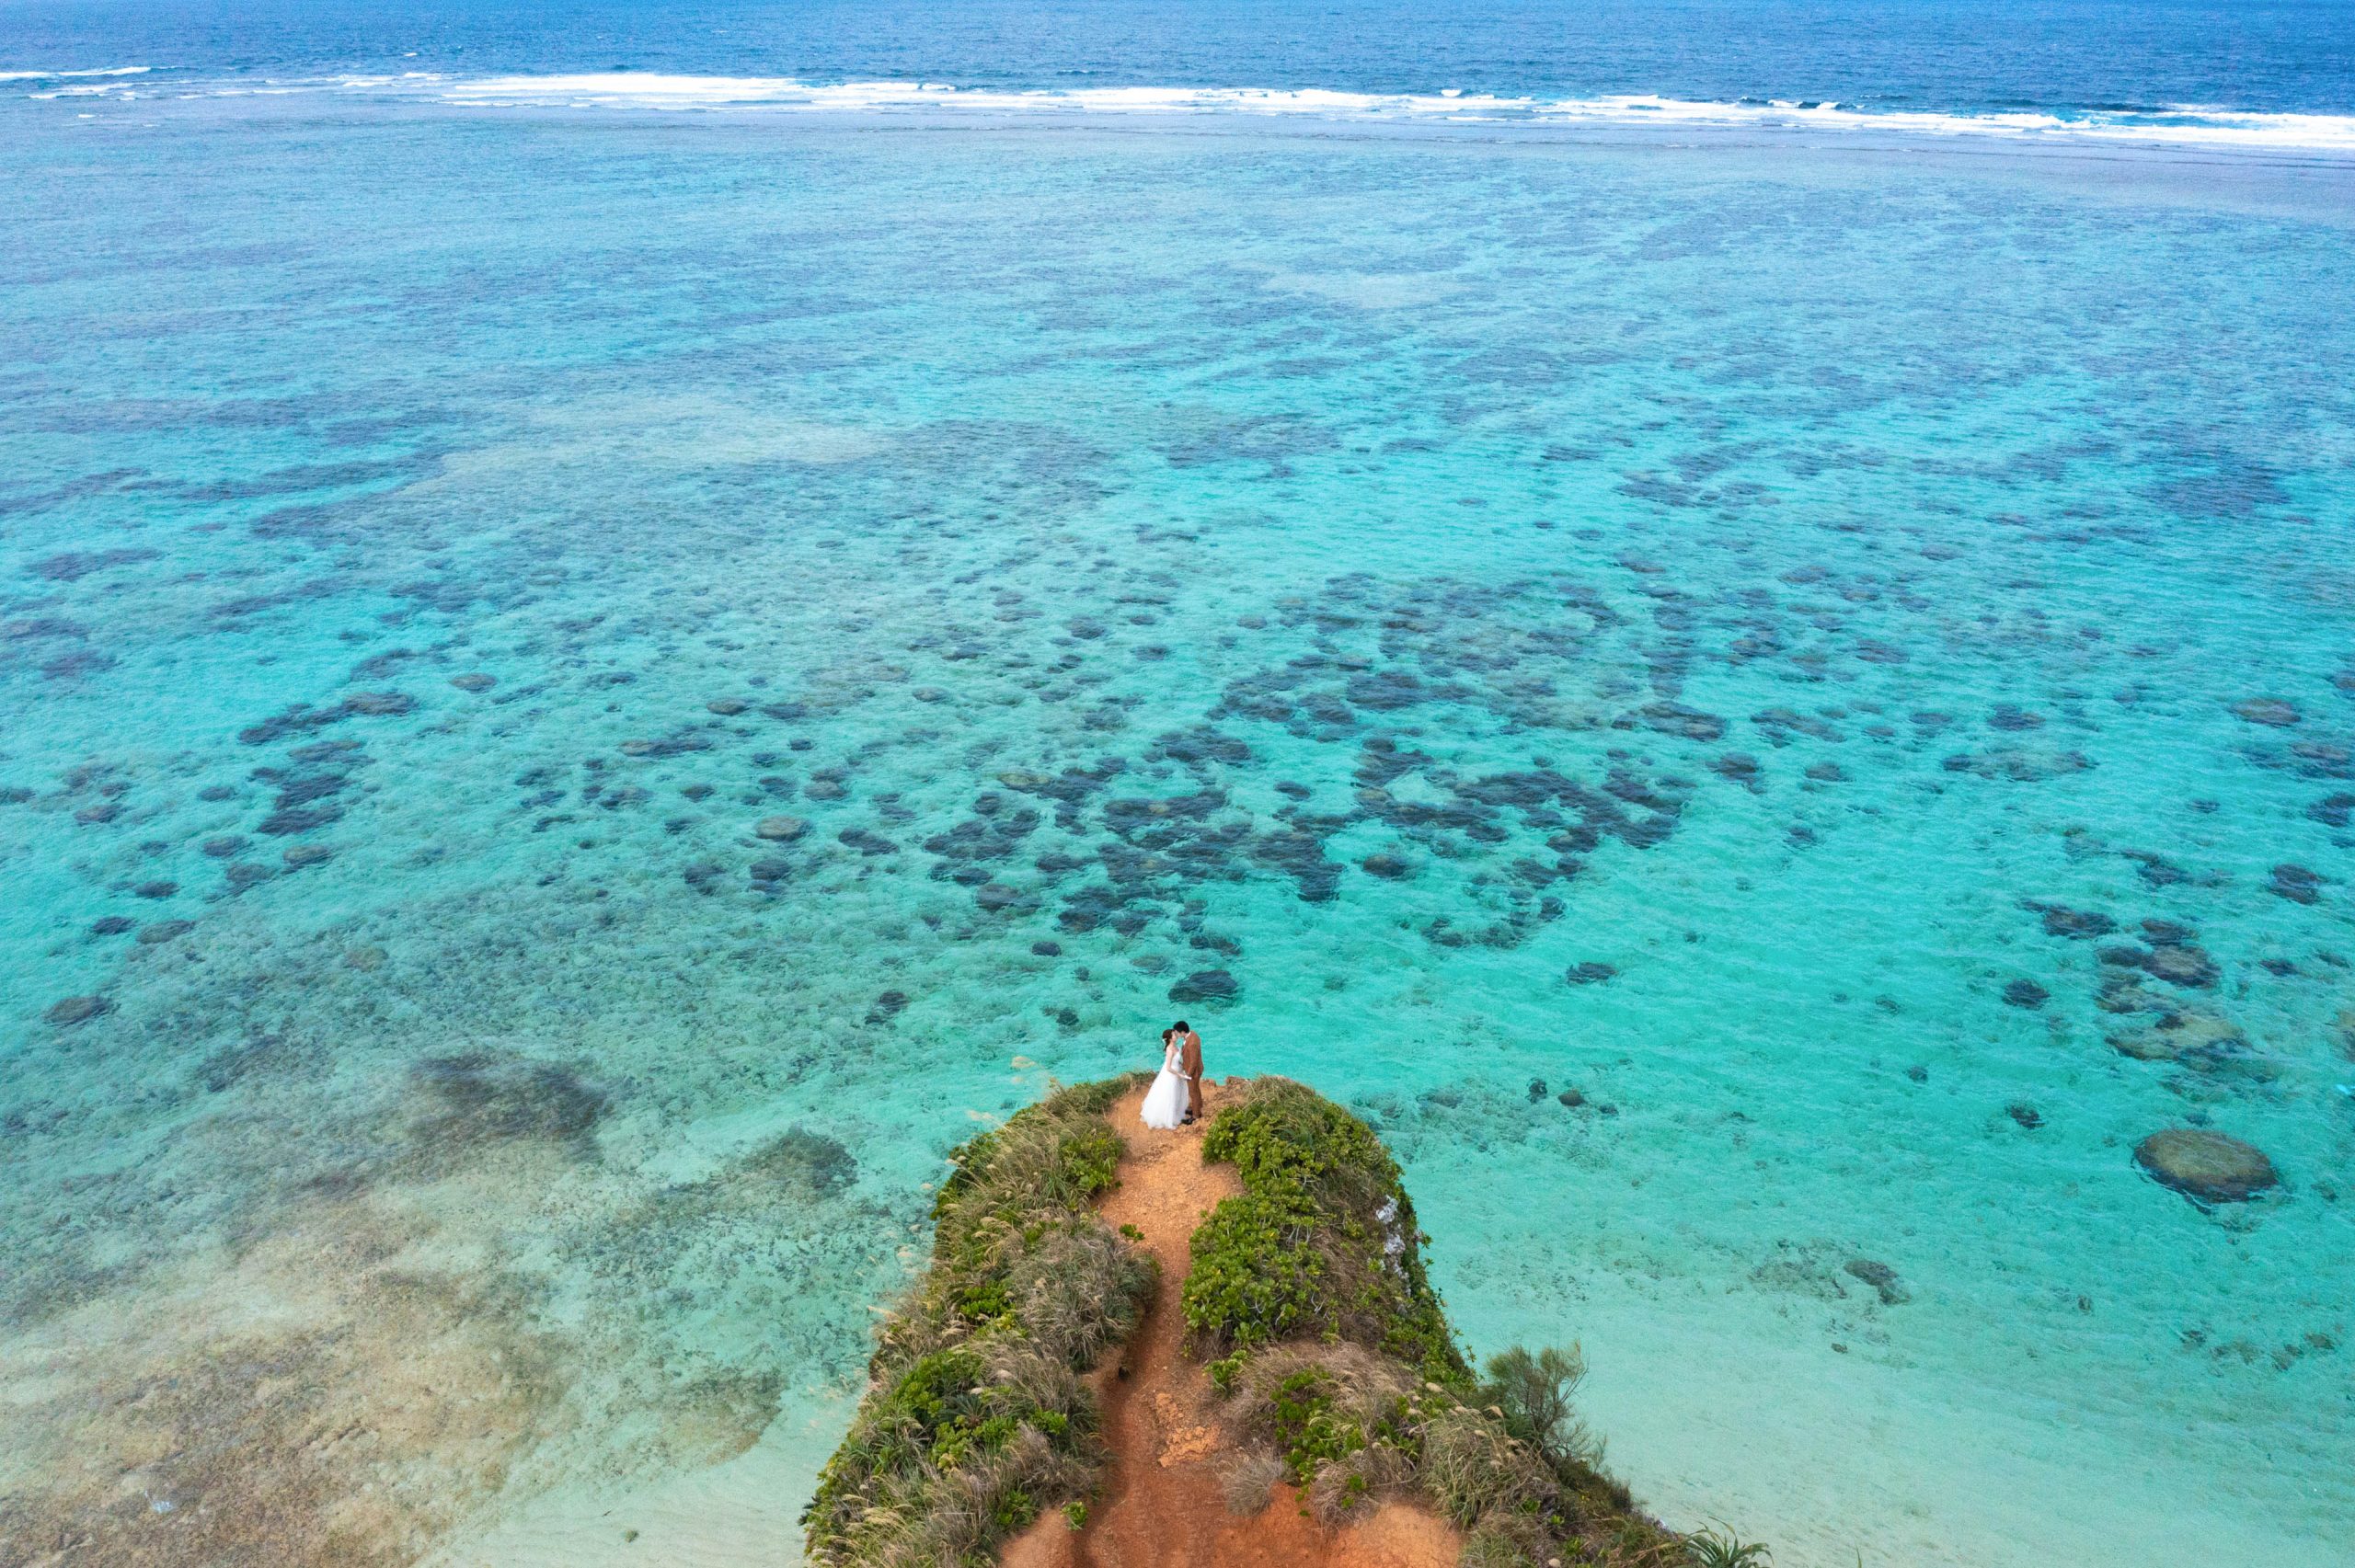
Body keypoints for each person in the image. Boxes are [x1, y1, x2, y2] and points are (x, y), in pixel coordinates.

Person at [1140, 1026, 1189, 1131]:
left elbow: (1178, 1060)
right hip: (1172, 1074)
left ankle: (1176, 1111)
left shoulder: (1176, 1046)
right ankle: (1169, 1118)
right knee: (1170, 1095)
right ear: (1170, 1039)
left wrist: (1182, 1067)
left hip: (1178, 1070)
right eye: (1174, 1035)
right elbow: (1168, 1067)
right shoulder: (1169, 1049)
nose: (1176, 1035)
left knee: (1177, 1093)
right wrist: (1179, 1075)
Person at [1175, 1019, 1204, 1124]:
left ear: (1183, 1032)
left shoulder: (1192, 1043)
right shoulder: (1192, 1035)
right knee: (1196, 1089)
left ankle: (1196, 1115)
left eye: (1177, 1032)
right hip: (1194, 1069)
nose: (1176, 1034)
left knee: (1193, 1092)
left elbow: (1194, 1061)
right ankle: (1198, 1106)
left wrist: (1188, 1075)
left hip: (1194, 1072)